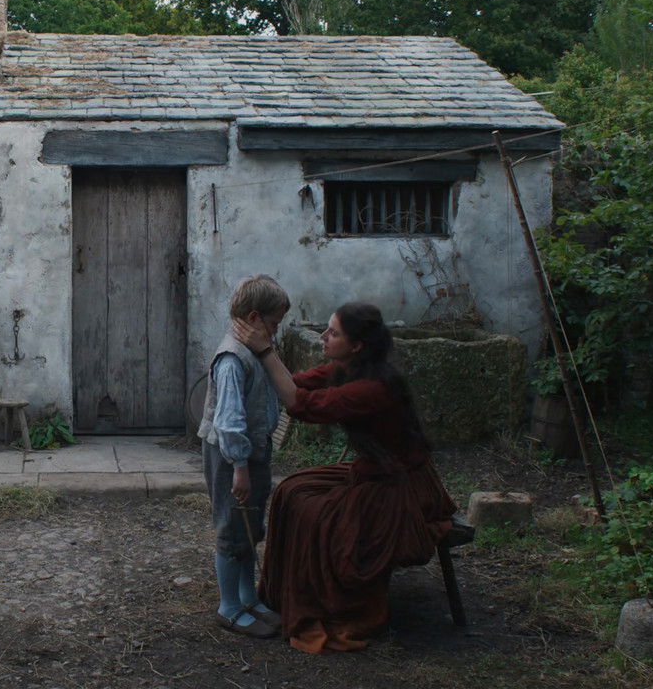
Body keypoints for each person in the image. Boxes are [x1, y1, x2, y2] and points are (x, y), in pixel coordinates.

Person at [235, 301, 457, 653]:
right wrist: (255, 356)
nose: (323, 336)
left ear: (357, 345)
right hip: (372, 472)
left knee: (318, 516)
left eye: (333, 333)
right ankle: (287, 593)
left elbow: (301, 405)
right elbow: (296, 384)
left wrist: (264, 351)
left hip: (398, 486)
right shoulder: (348, 367)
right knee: (292, 490)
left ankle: (331, 603)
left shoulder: (374, 387)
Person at [195, 275, 290, 638]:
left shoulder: (255, 352)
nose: (276, 331)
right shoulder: (232, 359)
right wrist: (239, 467)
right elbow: (229, 421)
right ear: (254, 318)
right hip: (232, 458)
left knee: (250, 526)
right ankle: (229, 607)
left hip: (253, 453)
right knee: (232, 528)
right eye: (274, 324)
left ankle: (248, 597)